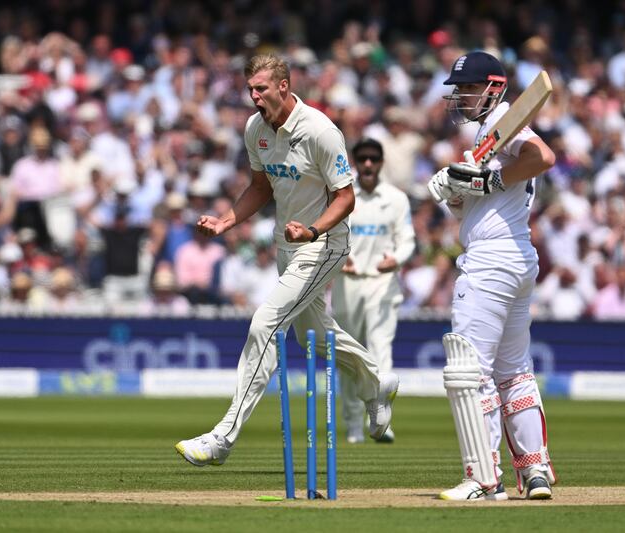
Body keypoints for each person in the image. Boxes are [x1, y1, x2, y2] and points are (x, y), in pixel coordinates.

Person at [175, 54, 399, 466]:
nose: (254, 97)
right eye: (250, 90)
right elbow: (260, 186)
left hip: (325, 243)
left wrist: (313, 230)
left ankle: (222, 438)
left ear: (283, 85)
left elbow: (346, 197)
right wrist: (227, 220)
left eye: (261, 88)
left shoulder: (319, 131)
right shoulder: (255, 129)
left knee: (266, 323)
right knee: (311, 335)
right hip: (287, 245)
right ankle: (377, 381)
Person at [426, 51, 557, 501]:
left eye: (468, 87)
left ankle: (483, 478)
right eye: (458, 89)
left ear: (494, 87)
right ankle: (535, 471)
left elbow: (542, 156)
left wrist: (489, 181)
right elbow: (478, 199)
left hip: (491, 262)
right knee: (513, 371)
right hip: (518, 256)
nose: (461, 96)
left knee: (470, 371)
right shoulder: (486, 137)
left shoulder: (504, 122)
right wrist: (456, 190)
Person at [331, 137, 415, 444]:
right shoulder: (343, 195)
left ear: (380, 163)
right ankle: (354, 425)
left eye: (373, 159)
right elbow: (329, 234)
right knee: (351, 357)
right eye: (362, 158)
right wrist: (339, 260)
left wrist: (397, 259)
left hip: (382, 280)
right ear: (355, 161)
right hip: (348, 281)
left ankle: (381, 421)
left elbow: (407, 239)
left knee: (381, 351)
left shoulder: (395, 198)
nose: (368, 164)